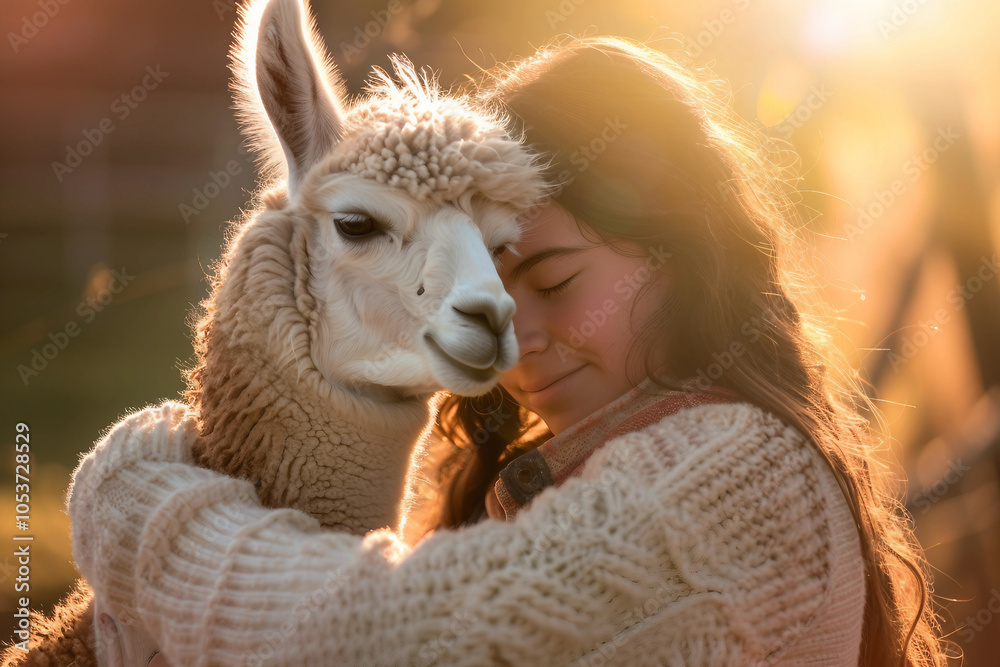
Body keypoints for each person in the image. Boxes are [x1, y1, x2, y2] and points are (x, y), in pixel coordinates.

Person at [67, 37, 951, 666]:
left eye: (557, 280)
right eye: (488, 288)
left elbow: (404, 637)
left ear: (685, 254)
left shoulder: (737, 475)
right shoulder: (565, 471)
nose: (515, 339)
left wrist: (146, 513)